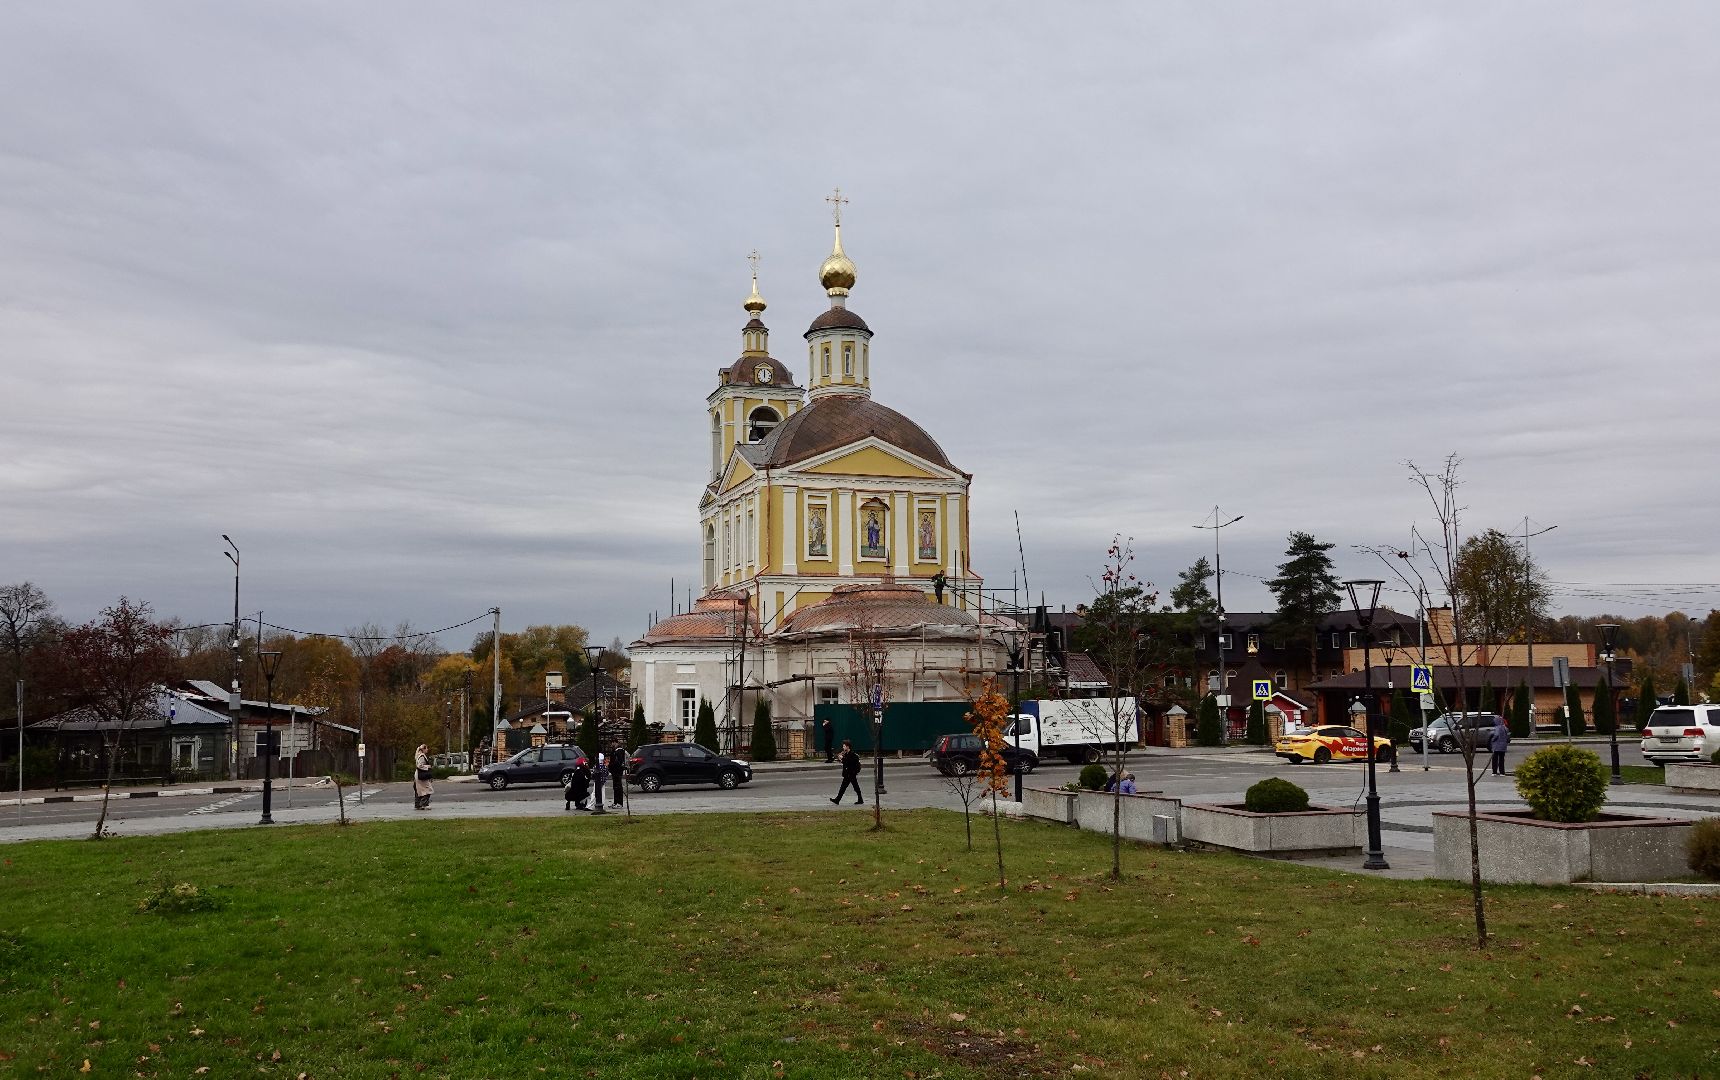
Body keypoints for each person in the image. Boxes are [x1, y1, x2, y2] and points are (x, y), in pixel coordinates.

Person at [830, 739, 863, 805]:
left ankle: (860, 799)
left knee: (854, 787)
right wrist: (841, 759)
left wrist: (842, 758)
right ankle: (837, 800)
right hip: (848, 774)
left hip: (851, 774)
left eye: (844, 746)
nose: (843, 747)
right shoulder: (846, 753)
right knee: (845, 787)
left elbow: (848, 763)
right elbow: (845, 763)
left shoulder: (852, 754)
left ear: (848, 747)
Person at [413, 744, 433, 810]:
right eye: (426, 748)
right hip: (421, 775)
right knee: (428, 789)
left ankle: (418, 804)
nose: (427, 750)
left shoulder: (418, 755)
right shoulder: (422, 756)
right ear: (423, 749)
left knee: (418, 790)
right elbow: (419, 765)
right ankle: (424, 804)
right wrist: (427, 767)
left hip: (417, 775)